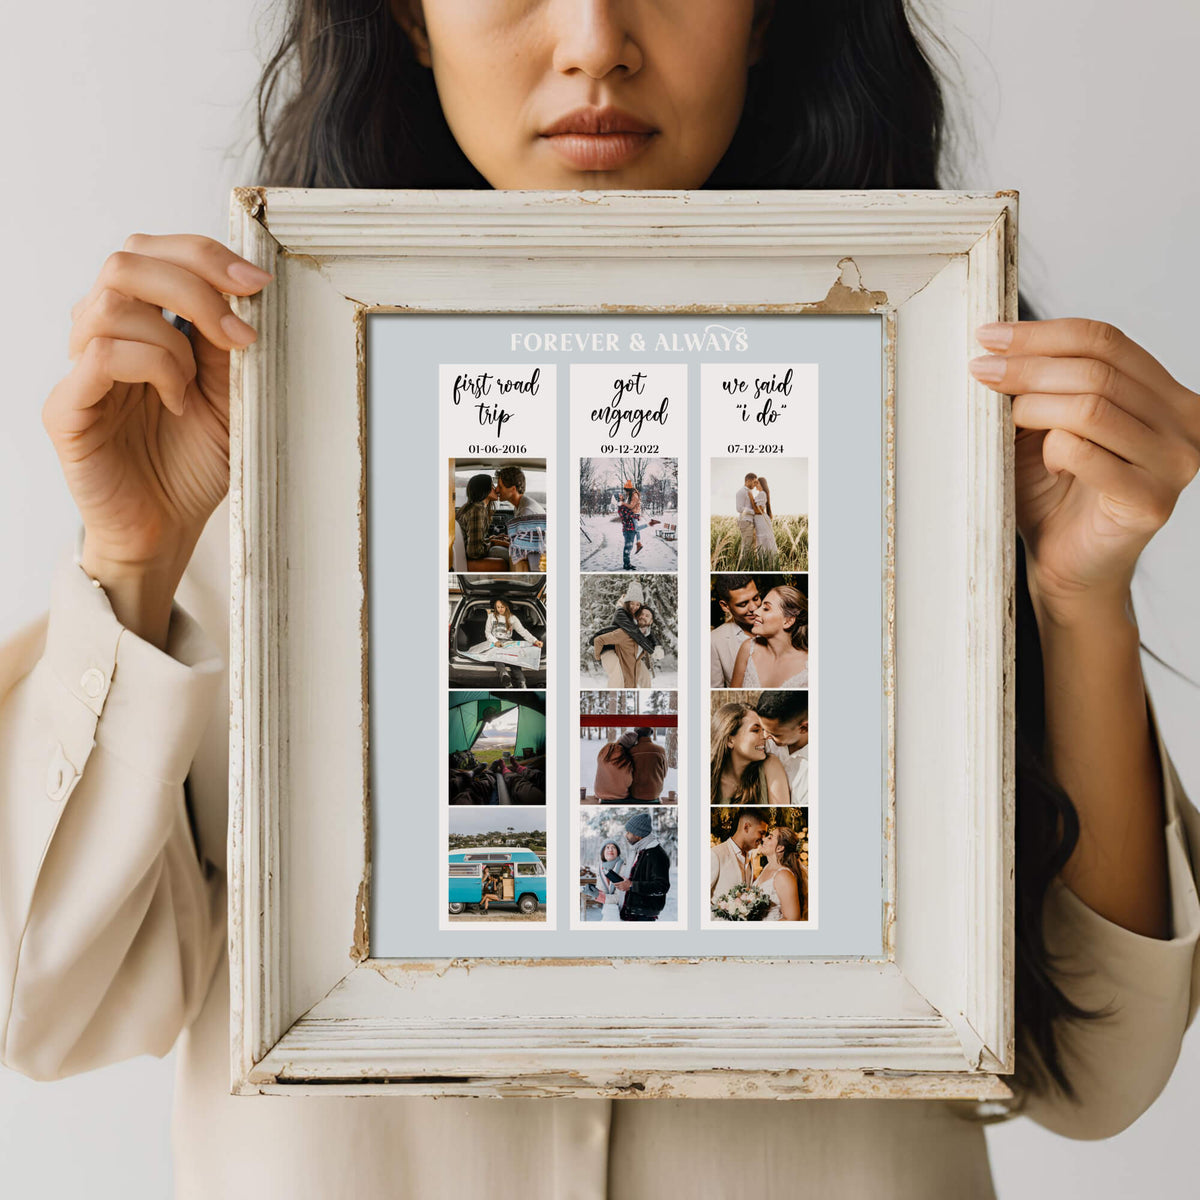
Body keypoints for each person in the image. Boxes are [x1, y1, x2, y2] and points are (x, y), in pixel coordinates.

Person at [3, 1, 1199, 1196]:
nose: (593, 40)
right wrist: (131, 560)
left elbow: (1102, 1071)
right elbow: (49, 1012)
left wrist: (1077, 596)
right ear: (409, 21)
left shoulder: (940, 420)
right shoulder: (246, 442)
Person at [710, 701, 791, 808]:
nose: (765, 736)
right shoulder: (710, 779)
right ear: (730, 740)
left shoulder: (770, 765)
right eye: (756, 730)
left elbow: (780, 817)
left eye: (763, 729)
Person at [731, 585, 809, 689]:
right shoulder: (748, 648)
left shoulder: (809, 666)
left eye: (766, 609)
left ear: (788, 621)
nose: (756, 612)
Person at [592, 584, 663, 687]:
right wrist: (598, 657)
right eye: (632, 604)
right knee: (618, 676)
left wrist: (657, 646)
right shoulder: (621, 614)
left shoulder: (639, 624)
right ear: (627, 603)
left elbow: (647, 633)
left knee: (644, 678)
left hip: (628, 655)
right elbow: (635, 632)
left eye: (638, 605)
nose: (635, 607)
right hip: (609, 649)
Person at [614, 812, 671, 922]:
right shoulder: (639, 851)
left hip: (643, 915)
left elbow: (662, 887)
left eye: (629, 832)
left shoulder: (656, 854)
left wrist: (631, 885)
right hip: (632, 911)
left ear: (638, 835)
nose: (626, 835)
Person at [756, 690, 809, 807]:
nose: (765, 737)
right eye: (762, 729)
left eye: (775, 734)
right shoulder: (765, 745)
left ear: (804, 728)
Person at [709, 808, 770, 904]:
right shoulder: (716, 854)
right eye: (761, 833)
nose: (763, 839)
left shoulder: (749, 858)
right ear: (746, 827)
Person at [492, 465, 546, 573]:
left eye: (500, 487)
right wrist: (506, 538)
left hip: (534, 560)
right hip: (530, 555)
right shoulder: (520, 506)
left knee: (493, 551)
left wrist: (498, 542)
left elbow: (527, 550)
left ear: (513, 489)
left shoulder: (527, 512)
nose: (496, 489)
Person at [710, 574, 760, 685]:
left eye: (756, 598)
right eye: (743, 604)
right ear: (725, 606)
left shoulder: (778, 627)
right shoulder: (714, 641)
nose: (754, 608)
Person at [483, 597, 543, 688]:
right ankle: (505, 677)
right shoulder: (491, 617)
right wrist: (495, 642)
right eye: (498, 607)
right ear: (495, 607)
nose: (500, 609)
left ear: (507, 607)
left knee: (514, 660)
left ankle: (522, 682)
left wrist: (535, 640)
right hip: (494, 642)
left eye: (502, 607)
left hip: (508, 643)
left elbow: (523, 631)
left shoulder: (512, 618)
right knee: (498, 658)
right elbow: (487, 633)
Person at [755, 826, 808, 921]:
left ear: (779, 848)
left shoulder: (783, 876)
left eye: (770, 837)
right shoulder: (767, 867)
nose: (763, 839)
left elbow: (792, 919)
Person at [455, 472, 498, 561]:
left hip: (462, 555)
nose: (496, 489)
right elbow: (474, 552)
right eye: (492, 486)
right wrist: (492, 544)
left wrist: (489, 540)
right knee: (503, 562)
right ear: (484, 489)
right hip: (465, 559)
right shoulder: (477, 510)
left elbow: (472, 541)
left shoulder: (472, 507)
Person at [628, 726, 668, 803]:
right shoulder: (661, 750)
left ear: (636, 734)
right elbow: (664, 774)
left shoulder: (631, 751)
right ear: (651, 733)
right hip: (655, 793)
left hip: (636, 793)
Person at [593, 731, 637, 801]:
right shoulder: (627, 760)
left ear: (619, 739)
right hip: (619, 795)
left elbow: (599, 760)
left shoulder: (607, 749)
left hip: (599, 793)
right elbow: (629, 781)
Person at [595, 840, 627, 922]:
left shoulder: (624, 868)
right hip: (610, 910)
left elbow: (619, 898)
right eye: (607, 847)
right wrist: (595, 892)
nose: (610, 850)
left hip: (626, 913)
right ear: (603, 852)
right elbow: (602, 891)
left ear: (618, 852)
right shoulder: (601, 870)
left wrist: (599, 896)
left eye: (613, 847)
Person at [734, 471, 759, 563]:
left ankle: (747, 565)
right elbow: (739, 508)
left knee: (750, 547)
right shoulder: (741, 492)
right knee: (747, 548)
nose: (755, 484)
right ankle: (743, 566)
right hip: (745, 522)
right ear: (748, 480)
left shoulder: (749, 492)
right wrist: (754, 512)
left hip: (749, 522)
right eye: (754, 482)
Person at [750, 475, 778, 558]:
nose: (756, 485)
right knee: (764, 542)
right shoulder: (761, 494)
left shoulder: (762, 494)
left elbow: (759, 510)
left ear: (761, 484)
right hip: (760, 521)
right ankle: (767, 563)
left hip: (761, 521)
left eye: (757, 483)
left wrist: (751, 498)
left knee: (763, 542)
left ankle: (766, 563)